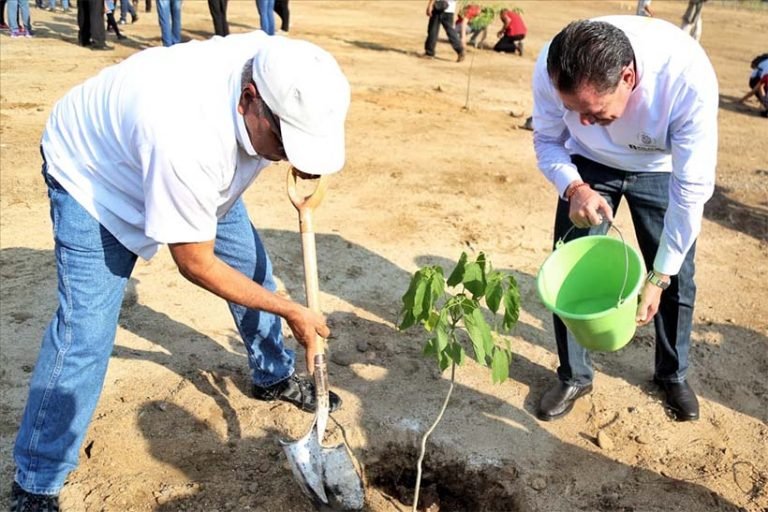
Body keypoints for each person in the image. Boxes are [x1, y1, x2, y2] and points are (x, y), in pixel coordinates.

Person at [9, 32, 350, 512]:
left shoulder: (281, 65)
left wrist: (304, 150)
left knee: (253, 267)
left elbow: (289, 135)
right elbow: (194, 261)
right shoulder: (185, 132)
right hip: (96, 179)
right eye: (284, 142)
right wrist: (290, 309)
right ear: (249, 100)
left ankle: (272, 374)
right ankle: (36, 482)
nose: (288, 156)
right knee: (84, 332)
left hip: (198, 170)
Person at [532, 17, 718, 423]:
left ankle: (672, 373)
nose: (581, 121)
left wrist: (659, 276)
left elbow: (691, 191)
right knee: (568, 269)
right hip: (588, 166)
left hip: (659, 165)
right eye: (572, 109)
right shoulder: (553, 64)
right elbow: (547, 139)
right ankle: (574, 375)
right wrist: (573, 187)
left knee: (678, 276)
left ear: (628, 77)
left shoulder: (686, 79)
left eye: (594, 111)